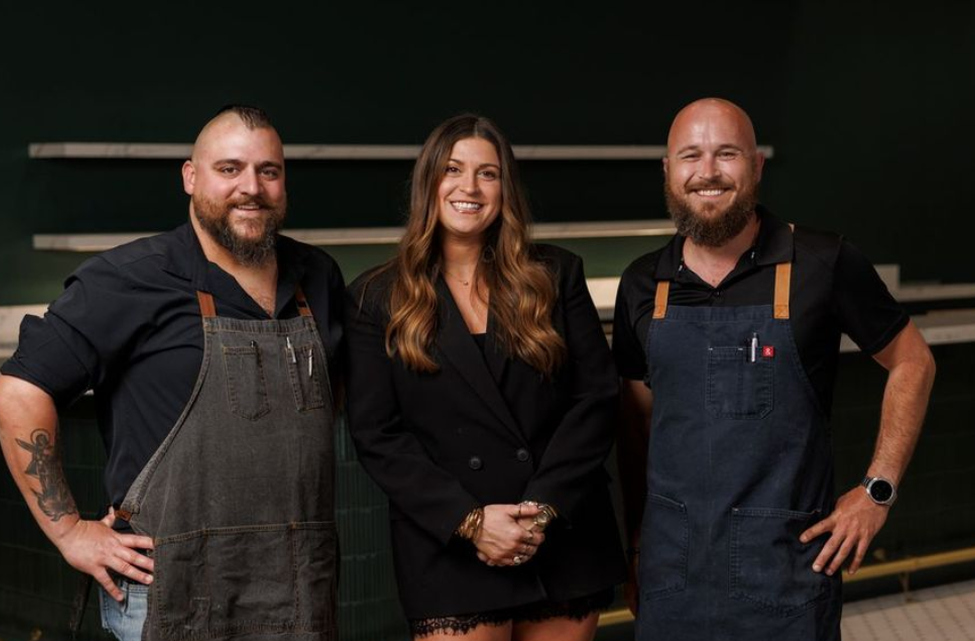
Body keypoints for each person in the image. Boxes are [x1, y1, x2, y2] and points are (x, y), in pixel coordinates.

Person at [0, 105, 344, 641]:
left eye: (268, 171)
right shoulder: (127, 278)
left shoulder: (317, 276)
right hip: (172, 593)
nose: (251, 187)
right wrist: (69, 533)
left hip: (298, 590)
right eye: (229, 169)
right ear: (190, 176)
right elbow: (17, 394)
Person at [613, 98, 936, 640]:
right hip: (672, 576)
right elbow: (637, 423)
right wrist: (637, 545)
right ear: (668, 171)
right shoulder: (643, 283)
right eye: (690, 156)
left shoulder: (822, 261)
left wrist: (876, 490)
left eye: (727, 154)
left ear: (757, 165)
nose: (708, 172)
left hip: (787, 575)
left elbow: (913, 361)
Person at [345, 114, 625, 640]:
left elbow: (596, 398)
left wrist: (541, 510)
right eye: (453, 169)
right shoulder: (375, 297)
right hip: (449, 544)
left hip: (559, 533)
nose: (469, 187)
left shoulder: (556, 273)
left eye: (488, 173)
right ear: (429, 182)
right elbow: (377, 435)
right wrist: (471, 521)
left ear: (506, 189)